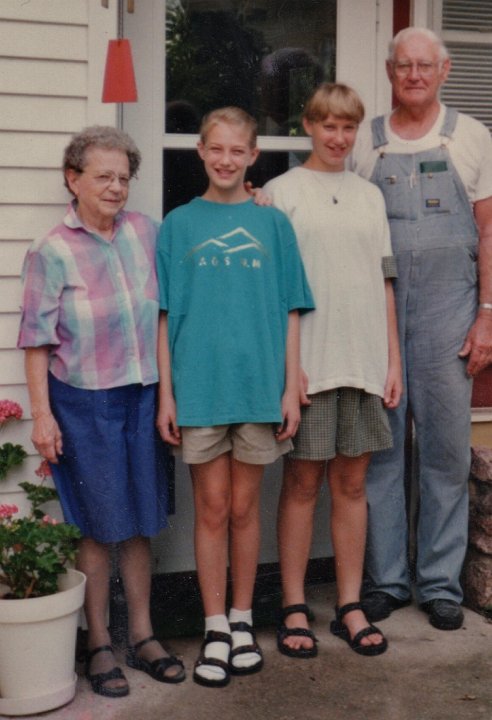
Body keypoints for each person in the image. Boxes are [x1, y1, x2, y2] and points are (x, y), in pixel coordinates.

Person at [17, 126, 185, 697]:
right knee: (94, 523)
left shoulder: (146, 233)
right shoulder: (51, 251)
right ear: (73, 179)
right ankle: (98, 644)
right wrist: (41, 416)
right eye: (102, 176)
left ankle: (142, 635)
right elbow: (36, 342)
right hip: (83, 400)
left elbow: (164, 315)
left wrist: (167, 394)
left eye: (123, 178)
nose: (115, 188)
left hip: (141, 394)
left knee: (139, 519)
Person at [156, 107, 314, 687]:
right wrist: (166, 395)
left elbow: (293, 309)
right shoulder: (178, 224)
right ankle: (215, 625)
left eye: (237, 151)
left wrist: (290, 389)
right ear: (200, 150)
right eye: (215, 148)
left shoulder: (274, 225)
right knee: (212, 508)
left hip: (257, 391)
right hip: (198, 390)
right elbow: (164, 316)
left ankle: (245, 619)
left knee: (246, 509)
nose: (225, 159)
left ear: (253, 157)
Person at [349, 27, 492, 631]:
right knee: (381, 452)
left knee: (441, 452)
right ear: (389, 71)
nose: (413, 74)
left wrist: (489, 315)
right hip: (376, 314)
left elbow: (489, 233)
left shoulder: (472, 136)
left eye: (424, 65)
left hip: (449, 315)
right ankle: (386, 581)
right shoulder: (365, 141)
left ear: (444, 70)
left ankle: (439, 583)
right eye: (403, 65)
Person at [264, 83, 402, 658]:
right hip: (310, 364)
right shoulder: (281, 191)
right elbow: (271, 292)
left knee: (351, 485)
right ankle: (294, 603)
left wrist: (393, 360)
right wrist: (285, 370)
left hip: (363, 361)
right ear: (308, 126)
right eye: (328, 126)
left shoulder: (369, 195)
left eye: (348, 128)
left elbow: (385, 280)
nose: (338, 138)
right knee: (302, 484)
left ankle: (349, 603)